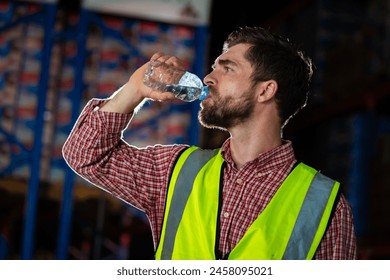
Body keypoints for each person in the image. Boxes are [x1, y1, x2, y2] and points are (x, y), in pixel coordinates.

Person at [62, 26, 357, 260]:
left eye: (227, 68)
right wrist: (134, 89)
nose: (207, 78)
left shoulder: (325, 207)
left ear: (266, 90)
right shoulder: (176, 172)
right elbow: (85, 154)